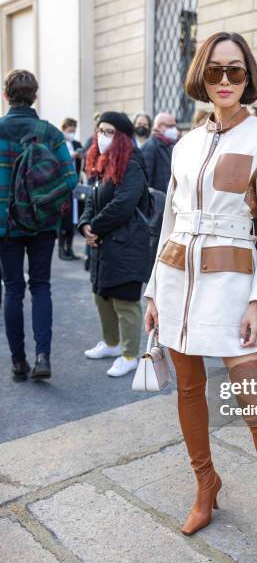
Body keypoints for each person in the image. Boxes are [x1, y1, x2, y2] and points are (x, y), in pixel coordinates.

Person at [143, 32, 257, 563]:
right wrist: (152, 292)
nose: (224, 81)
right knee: (189, 390)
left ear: (249, 77)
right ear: (202, 74)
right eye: (215, 71)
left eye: (235, 72)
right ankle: (205, 485)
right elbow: (170, 222)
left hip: (234, 289)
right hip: (177, 283)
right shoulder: (185, 144)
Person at [0, 70, 77, 381]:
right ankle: (42, 357)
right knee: (41, 286)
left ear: (6, 96)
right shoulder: (49, 133)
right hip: (42, 224)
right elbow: (71, 179)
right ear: (35, 96)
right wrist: (46, 199)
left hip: (5, 226)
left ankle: (18, 361)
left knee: (13, 289)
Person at [79, 112, 151, 377]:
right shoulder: (102, 162)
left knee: (125, 302)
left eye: (109, 131)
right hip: (105, 244)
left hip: (127, 244)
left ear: (121, 136)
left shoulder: (132, 163)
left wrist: (95, 227)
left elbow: (123, 204)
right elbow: (92, 199)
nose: (102, 135)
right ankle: (111, 344)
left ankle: (130, 355)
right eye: (100, 130)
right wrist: (86, 224)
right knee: (102, 296)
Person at [59, 117, 83, 260]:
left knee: (74, 217)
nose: (72, 133)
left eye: (74, 131)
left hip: (74, 185)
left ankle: (70, 248)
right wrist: (71, 157)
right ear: (64, 130)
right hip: (63, 186)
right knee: (64, 218)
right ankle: (61, 249)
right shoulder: (59, 144)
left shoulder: (76, 144)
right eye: (70, 131)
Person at [141, 111, 177, 192]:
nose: (174, 129)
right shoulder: (150, 146)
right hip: (158, 200)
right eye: (171, 126)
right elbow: (146, 180)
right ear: (160, 126)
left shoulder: (169, 144)